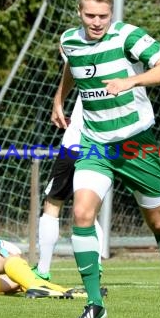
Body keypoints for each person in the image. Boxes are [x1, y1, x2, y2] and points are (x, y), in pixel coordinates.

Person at [51, 0, 160, 318]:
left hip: (135, 145)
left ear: (110, 12)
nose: (96, 22)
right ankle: (95, 304)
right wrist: (59, 98)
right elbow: (73, 65)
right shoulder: (69, 41)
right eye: (89, 15)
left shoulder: (127, 36)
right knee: (82, 214)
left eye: (102, 15)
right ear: (80, 12)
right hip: (96, 144)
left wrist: (132, 81)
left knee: (159, 224)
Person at [32, 94, 105, 282]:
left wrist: (58, 101)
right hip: (102, 150)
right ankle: (95, 265)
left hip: (74, 146)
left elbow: (69, 67)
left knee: (53, 204)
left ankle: (42, 269)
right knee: (89, 210)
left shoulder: (82, 66)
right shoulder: (122, 72)